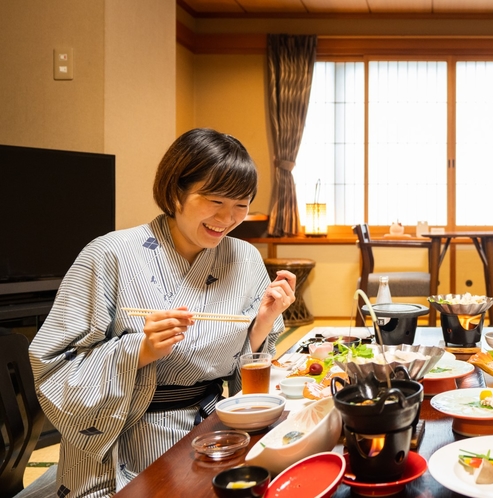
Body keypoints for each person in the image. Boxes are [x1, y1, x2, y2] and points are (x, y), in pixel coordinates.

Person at [29, 128, 296, 497]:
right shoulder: (108, 255)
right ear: (176, 193)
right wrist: (139, 350)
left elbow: (245, 371)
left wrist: (262, 324)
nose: (228, 217)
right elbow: (53, 367)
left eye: (241, 203)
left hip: (211, 432)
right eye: (215, 200)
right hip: (122, 440)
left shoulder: (245, 259)